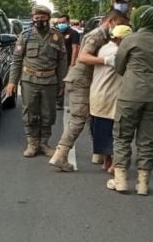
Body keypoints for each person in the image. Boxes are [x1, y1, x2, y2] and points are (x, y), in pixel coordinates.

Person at [49, 9, 128, 172]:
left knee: (95, 116)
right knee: (79, 118)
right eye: (120, 24)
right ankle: (60, 155)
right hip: (80, 81)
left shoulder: (107, 36)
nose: (120, 28)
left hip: (89, 82)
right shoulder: (97, 35)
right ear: (111, 22)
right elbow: (83, 57)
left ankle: (100, 154)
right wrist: (106, 60)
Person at [107, 5, 153, 195]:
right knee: (147, 140)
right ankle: (143, 183)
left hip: (131, 94)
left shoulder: (130, 40)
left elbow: (119, 66)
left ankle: (120, 181)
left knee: (122, 136)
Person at [6, 5, 68, 157]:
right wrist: (12, 82)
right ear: (33, 18)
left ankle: (44, 144)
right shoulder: (25, 35)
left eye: (42, 17)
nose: (39, 20)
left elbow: (62, 61)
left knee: (49, 113)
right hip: (29, 81)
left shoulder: (57, 36)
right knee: (30, 112)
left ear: (48, 18)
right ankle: (32, 143)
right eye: (36, 17)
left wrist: (62, 82)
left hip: (50, 81)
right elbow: (17, 60)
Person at [89, 25, 132, 174]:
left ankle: (106, 161)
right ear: (122, 39)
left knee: (101, 130)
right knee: (113, 132)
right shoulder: (118, 52)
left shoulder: (105, 48)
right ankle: (112, 163)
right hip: (109, 96)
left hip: (99, 94)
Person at [55, 14, 80, 109]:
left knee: (67, 83)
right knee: (57, 82)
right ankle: (58, 102)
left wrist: (72, 64)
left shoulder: (73, 33)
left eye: (63, 22)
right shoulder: (56, 33)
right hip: (55, 62)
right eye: (59, 23)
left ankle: (68, 104)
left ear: (68, 22)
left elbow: (75, 49)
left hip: (68, 62)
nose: (61, 24)